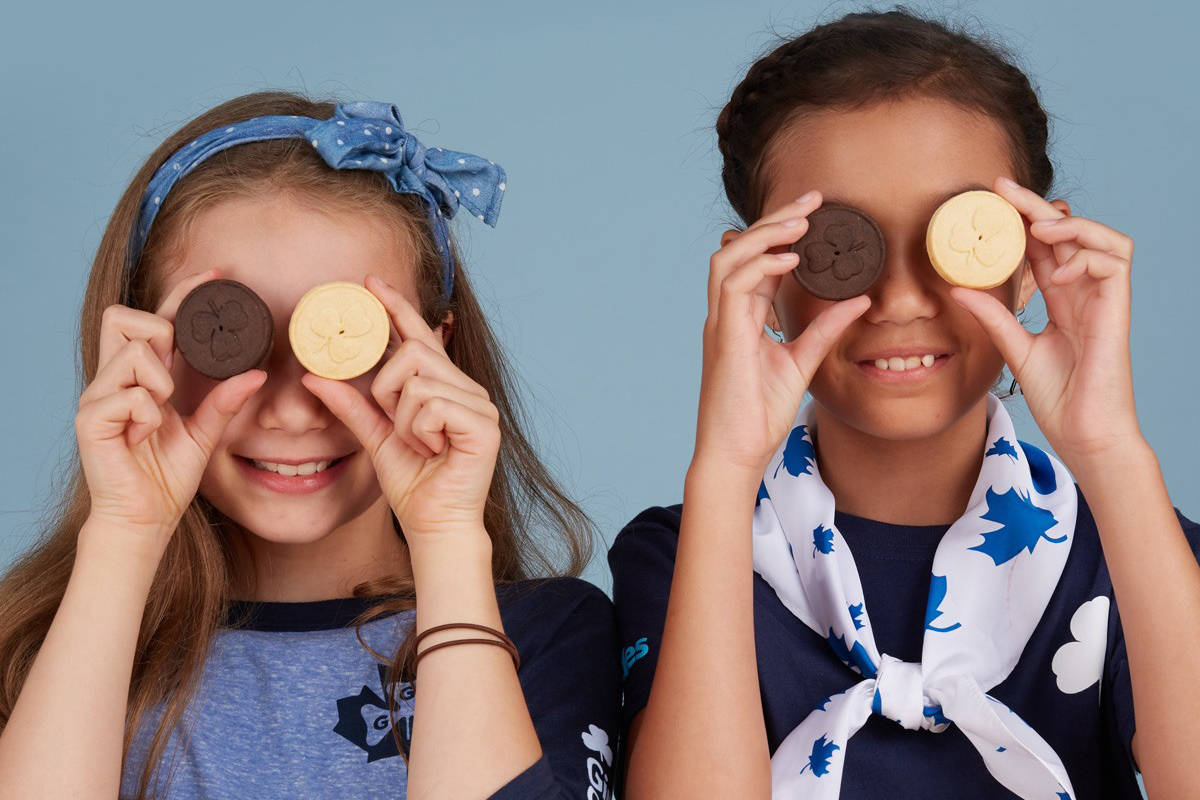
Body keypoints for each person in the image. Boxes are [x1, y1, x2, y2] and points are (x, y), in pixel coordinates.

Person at [609, 10, 1200, 799]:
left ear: (1029, 263)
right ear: (764, 279)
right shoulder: (686, 556)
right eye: (839, 250)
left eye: (953, 240)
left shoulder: (1134, 550)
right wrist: (724, 466)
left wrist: (1111, 454)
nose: (899, 298)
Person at [0, 91, 618, 800]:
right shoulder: (36, 650)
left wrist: (447, 537)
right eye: (228, 337)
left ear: (434, 356)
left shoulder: (539, 635)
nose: (292, 410)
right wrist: (123, 535)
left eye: (349, 344)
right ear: (144, 353)